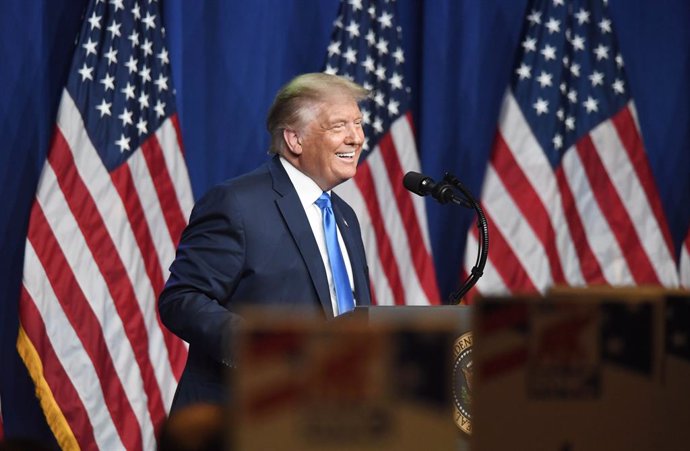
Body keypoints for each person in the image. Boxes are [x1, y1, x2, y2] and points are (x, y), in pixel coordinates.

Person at [159, 73, 372, 411]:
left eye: (359, 124)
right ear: (294, 140)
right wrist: (263, 348)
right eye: (338, 126)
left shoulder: (343, 216)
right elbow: (182, 299)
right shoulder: (237, 203)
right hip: (246, 417)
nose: (356, 138)